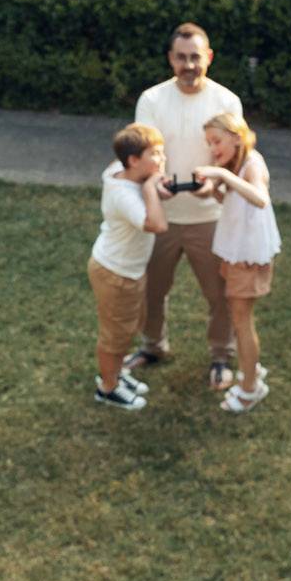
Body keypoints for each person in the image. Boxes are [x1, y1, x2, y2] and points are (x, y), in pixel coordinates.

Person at [131, 22, 245, 390]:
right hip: (161, 215)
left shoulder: (227, 102)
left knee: (219, 293)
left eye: (195, 57)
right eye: (181, 57)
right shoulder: (151, 100)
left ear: (208, 57)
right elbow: (143, 154)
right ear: (170, 59)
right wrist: (154, 183)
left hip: (210, 215)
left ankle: (220, 356)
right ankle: (153, 347)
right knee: (151, 289)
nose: (189, 65)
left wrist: (213, 184)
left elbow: (236, 156)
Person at [195, 111, 279, 413]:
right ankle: (251, 368)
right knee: (238, 316)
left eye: (216, 141)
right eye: (209, 142)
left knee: (242, 320)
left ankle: (249, 389)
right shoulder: (234, 164)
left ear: (236, 136)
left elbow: (259, 198)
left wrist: (223, 176)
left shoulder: (252, 163)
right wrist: (213, 186)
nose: (213, 148)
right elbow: (229, 201)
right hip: (236, 249)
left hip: (248, 254)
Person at [91, 123, 169, 410]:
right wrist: (151, 187)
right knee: (115, 335)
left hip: (129, 270)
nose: (162, 160)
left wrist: (152, 185)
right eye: (156, 154)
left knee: (128, 328)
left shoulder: (120, 169)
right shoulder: (123, 194)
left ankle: (116, 373)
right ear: (134, 161)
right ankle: (108, 387)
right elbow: (157, 225)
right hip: (116, 273)